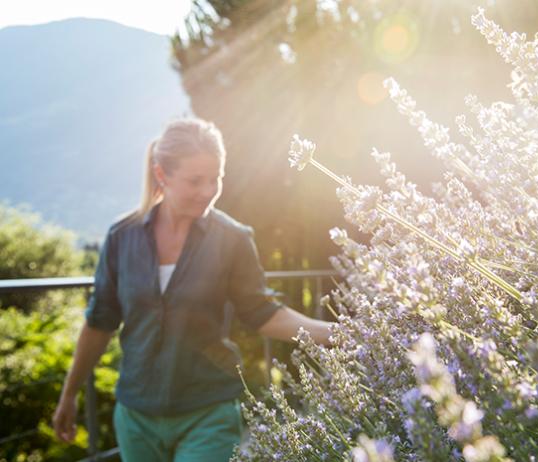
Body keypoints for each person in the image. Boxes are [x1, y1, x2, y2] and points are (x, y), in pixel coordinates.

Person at [52, 118, 334, 461]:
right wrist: (69, 394)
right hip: (136, 416)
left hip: (208, 413)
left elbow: (263, 314)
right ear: (162, 175)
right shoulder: (121, 237)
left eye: (215, 178)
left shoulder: (233, 239)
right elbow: (100, 322)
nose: (208, 190)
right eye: (195, 181)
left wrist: (336, 333)